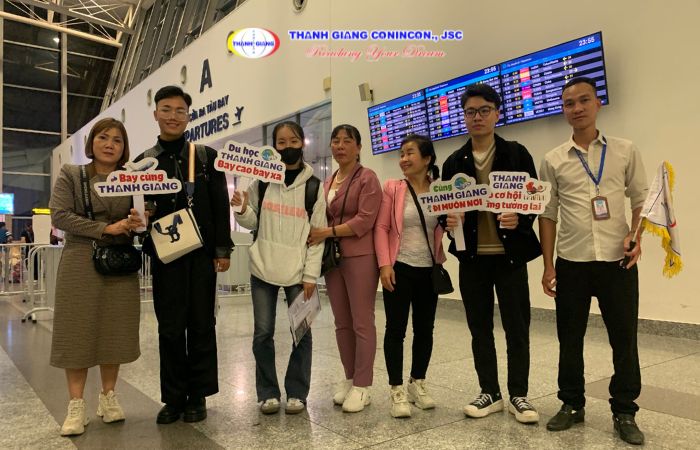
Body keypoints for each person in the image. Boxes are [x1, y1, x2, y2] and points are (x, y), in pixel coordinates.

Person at [539, 77, 648, 445]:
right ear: (563, 110)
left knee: (624, 338)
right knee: (569, 338)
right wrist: (548, 265)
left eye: (584, 100)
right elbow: (548, 214)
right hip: (572, 261)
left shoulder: (625, 150)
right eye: (569, 103)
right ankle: (571, 403)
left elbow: (641, 198)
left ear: (597, 103)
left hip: (618, 262)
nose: (577, 108)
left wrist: (636, 235)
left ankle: (625, 410)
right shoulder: (553, 159)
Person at [442, 84, 542, 424]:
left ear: (497, 114)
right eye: (470, 111)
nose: (477, 117)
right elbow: (443, 207)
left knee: (517, 326)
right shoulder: (454, 161)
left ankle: (519, 394)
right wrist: (449, 221)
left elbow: (534, 199)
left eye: (484, 110)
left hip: (510, 257)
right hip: (473, 259)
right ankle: (490, 392)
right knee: (479, 327)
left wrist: (521, 218)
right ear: (464, 117)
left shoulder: (516, 153)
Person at [136, 86, 233, 424]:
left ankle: (198, 396)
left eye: (180, 110)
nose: (173, 116)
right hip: (166, 257)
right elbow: (137, 211)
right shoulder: (144, 162)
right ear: (156, 114)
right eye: (166, 109)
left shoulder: (205, 157)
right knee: (170, 328)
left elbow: (220, 205)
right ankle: (173, 398)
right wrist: (141, 222)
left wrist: (222, 249)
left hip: (202, 255)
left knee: (202, 324)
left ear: (188, 116)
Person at [49, 118, 146, 436]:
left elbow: (143, 215)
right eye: (103, 137)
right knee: (76, 331)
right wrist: (106, 228)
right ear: (91, 142)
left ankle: (108, 396)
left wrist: (140, 219)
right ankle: (76, 405)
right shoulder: (72, 174)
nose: (110, 144)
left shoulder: (132, 178)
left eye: (117, 140)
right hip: (80, 260)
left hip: (119, 263)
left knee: (113, 329)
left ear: (124, 147)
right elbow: (61, 215)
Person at [231, 121, 326, 415]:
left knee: (302, 333)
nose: (287, 147)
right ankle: (268, 392)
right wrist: (242, 209)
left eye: (293, 141)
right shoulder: (261, 182)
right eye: (281, 142)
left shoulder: (314, 187)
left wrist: (311, 275)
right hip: (263, 269)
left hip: (299, 273)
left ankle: (297, 392)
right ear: (274, 146)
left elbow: (317, 235)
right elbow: (253, 222)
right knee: (262, 333)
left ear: (302, 143)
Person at [307, 124, 382, 413]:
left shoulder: (367, 178)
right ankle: (350, 377)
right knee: (342, 322)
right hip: (333, 259)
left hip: (360, 255)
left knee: (362, 321)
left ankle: (363, 386)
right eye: (335, 141)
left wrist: (327, 233)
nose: (340, 146)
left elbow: (365, 220)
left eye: (347, 141)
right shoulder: (328, 181)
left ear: (358, 147)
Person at [374, 134, 446, 418]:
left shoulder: (440, 190)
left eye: (409, 153)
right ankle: (396, 389)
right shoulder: (393, 188)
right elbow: (381, 228)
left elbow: (448, 227)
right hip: (399, 267)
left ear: (427, 159)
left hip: (429, 269)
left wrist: (456, 221)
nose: (403, 159)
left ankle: (417, 382)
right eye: (401, 154)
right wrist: (384, 265)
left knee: (425, 329)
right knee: (396, 329)